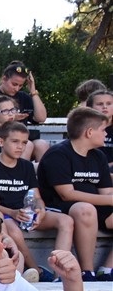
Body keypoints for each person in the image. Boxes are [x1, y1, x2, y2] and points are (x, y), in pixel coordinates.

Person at [0, 121, 74, 283]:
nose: (20, 147)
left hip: (26, 213)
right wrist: (13, 213)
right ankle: (37, 271)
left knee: (66, 221)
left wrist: (40, 210)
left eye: (24, 143)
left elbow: (36, 197)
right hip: (6, 214)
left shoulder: (26, 166)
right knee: (13, 231)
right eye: (15, 141)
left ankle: (59, 275)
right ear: (1, 142)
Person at [37, 107, 113, 281]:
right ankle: (87, 271)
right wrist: (109, 200)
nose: (106, 134)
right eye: (103, 130)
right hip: (59, 206)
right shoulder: (58, 154)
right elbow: (67, 194)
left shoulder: (98, 156)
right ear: (89, 132)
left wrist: (109, 198)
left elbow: (107, 191)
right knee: (85, 210)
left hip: (92, 205)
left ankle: (107, 270)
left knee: (88, 209)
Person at [0, 61, 48, 159]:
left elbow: (41, 118)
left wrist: (33, 91)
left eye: (20, 85)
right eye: (14, 84)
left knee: (42, 145)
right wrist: (9, 118)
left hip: (19, 138)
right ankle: (17, 169)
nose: (17, 89)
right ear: (4, 79)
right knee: (27, 145)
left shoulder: (23, 97)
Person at [0, 94, 38, 161]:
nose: (10, 114)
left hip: (6, 164)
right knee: (28, 145)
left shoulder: (8, 131)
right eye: (5, 111)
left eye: (13, 110)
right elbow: (5, 157)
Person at [85, 88, 113, 168]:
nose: (105, 107)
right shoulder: (83, 128)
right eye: (100, 104)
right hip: (89, 168)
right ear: (90, 107)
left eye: (109, 103)